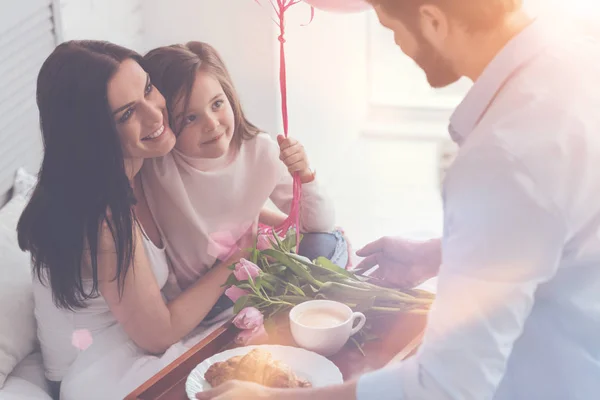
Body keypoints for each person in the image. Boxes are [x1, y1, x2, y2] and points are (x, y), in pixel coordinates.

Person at [196, 0, 600, 399]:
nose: (399, 47)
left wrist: (269, 398)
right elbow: (569, 232)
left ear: (433, 20)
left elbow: (443, 387)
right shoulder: (578, 59)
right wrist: (441, 254)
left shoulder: (501, 155)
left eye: (391, 30)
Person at [17, 40, 253, 400]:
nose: (156, 115)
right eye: (127, 114)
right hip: (100, 372)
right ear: (94, 134)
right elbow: (158, 332)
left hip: (138, 348)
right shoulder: (101, 214)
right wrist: (240, 258)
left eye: (148, 89)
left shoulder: (141, 165)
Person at [139, 41, 345, 297]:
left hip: (251, 270)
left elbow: (317, 225)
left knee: (330, 242)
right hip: (203, 295)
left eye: (217, 104)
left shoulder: (259, 150)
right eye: (190, 118)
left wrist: (305, 174)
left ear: (229, 95)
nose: (212, 124)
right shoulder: (158, 166)